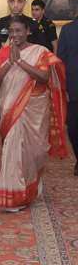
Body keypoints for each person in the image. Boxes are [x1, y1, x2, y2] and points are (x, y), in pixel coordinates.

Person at [0, 15, 68, 212]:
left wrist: (21, 62)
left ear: (27, 31)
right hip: (10, 109)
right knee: (12, 150)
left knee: (34, 152)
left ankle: (31, 183)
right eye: (11, 31)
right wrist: (9, 62)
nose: (15, 35)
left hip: (34, 109)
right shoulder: (4, 53)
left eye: (19, 30)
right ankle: (13, 196)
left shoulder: (39, 51)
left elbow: (44, 76)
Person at [0, 0, 51, 122]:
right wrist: (3, 64)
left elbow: (42, 53)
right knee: (4, 117)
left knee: (29, 121)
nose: (15, 5)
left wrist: (21, 64)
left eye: (19, 1)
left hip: (28, 79)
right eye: (12, 1)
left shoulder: (33, 25)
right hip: (4, 77)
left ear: (25, 3)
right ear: (7, 2)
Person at [57, 16, 78, 174]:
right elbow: (61, 62)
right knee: (73, 127)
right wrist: (63, 88)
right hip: (73, 88)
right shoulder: (68, 30)